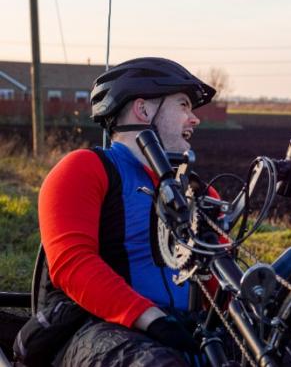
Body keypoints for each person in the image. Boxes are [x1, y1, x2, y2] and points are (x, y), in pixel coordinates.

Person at [36, 57, 215, 366]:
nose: (194, 119)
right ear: (143, 110)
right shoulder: (85, 169)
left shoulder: (201, 193)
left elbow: (216, 285)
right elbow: (72, 264)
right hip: (95, 330)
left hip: (187, 329)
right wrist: (153, 319)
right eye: (184, 105)